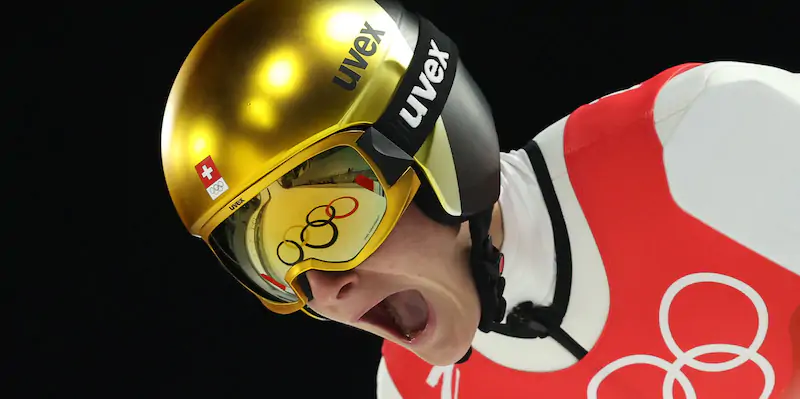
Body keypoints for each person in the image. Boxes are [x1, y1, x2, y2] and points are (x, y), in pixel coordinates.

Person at [159, 0, 800, 397]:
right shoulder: (412, 393)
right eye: (274, 259)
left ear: (437, 150)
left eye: (331, 221)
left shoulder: (710, 140)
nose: (323, 291)